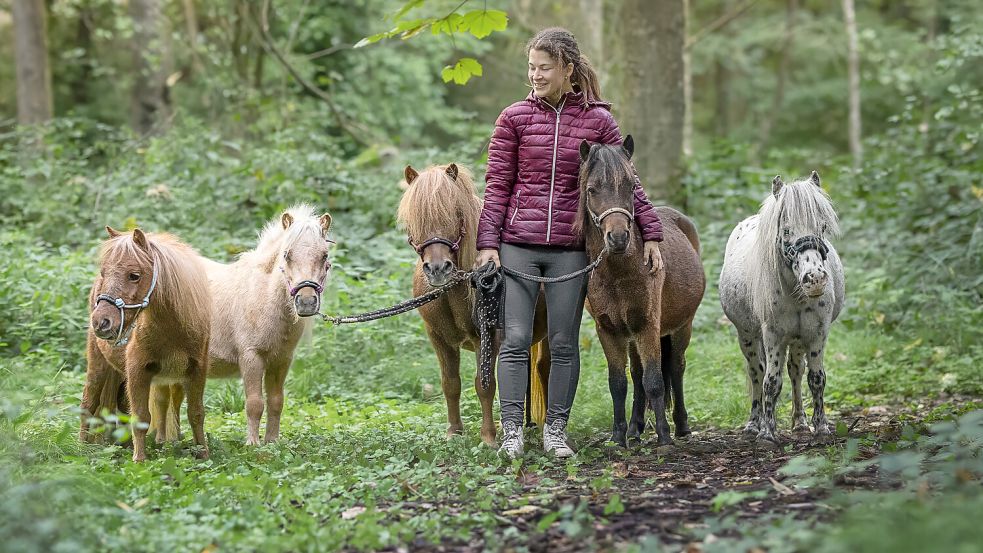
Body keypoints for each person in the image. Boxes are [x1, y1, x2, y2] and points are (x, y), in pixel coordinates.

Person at [475, 27, 665, 459]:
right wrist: (488, 243)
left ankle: (555, 431)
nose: (536, 75)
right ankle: (512, 431)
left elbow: (625, 183)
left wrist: (650, 231)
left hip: (570, 249)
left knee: (563, 343)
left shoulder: (598, 121)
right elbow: (497, 185)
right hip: (517, 244)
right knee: (516, 338)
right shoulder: (513, 118)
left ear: (567, 69)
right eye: (531, 67)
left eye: (544, 68)